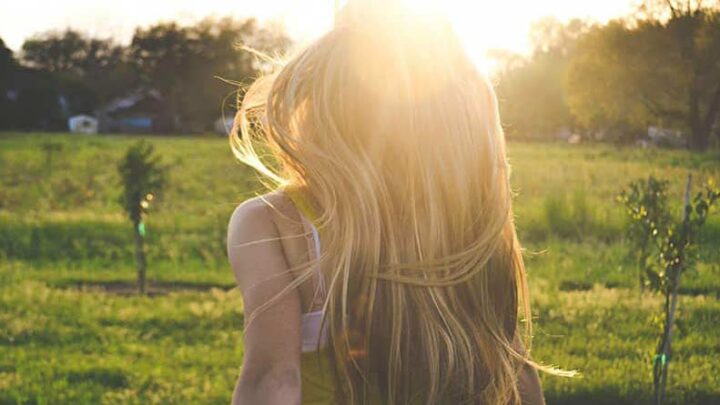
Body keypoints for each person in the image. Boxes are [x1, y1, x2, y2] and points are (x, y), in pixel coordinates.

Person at [227, 1, 562, 403]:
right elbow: (514, 368)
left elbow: (274, 379)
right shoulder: (466, 225)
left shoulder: (273, 223)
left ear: (318, 102)